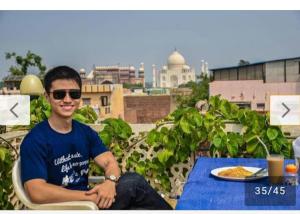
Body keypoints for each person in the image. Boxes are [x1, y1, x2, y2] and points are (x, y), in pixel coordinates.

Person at [20, 66, 173, 210]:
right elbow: (36, 191)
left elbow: (108, 161)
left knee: (136, 198)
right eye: (59, 94)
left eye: (74, 94)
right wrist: (88, 197)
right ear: (47, 97)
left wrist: (110, 182)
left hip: (91, 204)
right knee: (133, 183)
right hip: (68, 207)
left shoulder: (84, 132)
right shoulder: (36, 139)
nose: (67, 100)